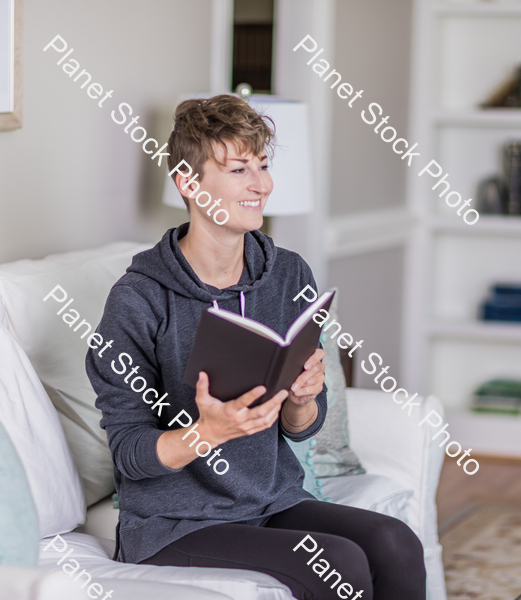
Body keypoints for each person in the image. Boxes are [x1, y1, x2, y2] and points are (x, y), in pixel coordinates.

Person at [86, 94, 425, 600]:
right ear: (189, 183)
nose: (261, 185)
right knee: (338, 563)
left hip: (271, 501)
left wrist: (306, 398)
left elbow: (300, 429)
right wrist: (208, 434)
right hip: (174, 522)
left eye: (263, 166)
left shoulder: (287, 274)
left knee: (395, 541)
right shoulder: (138, 299)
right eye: (240, 169)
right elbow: (130, 454)